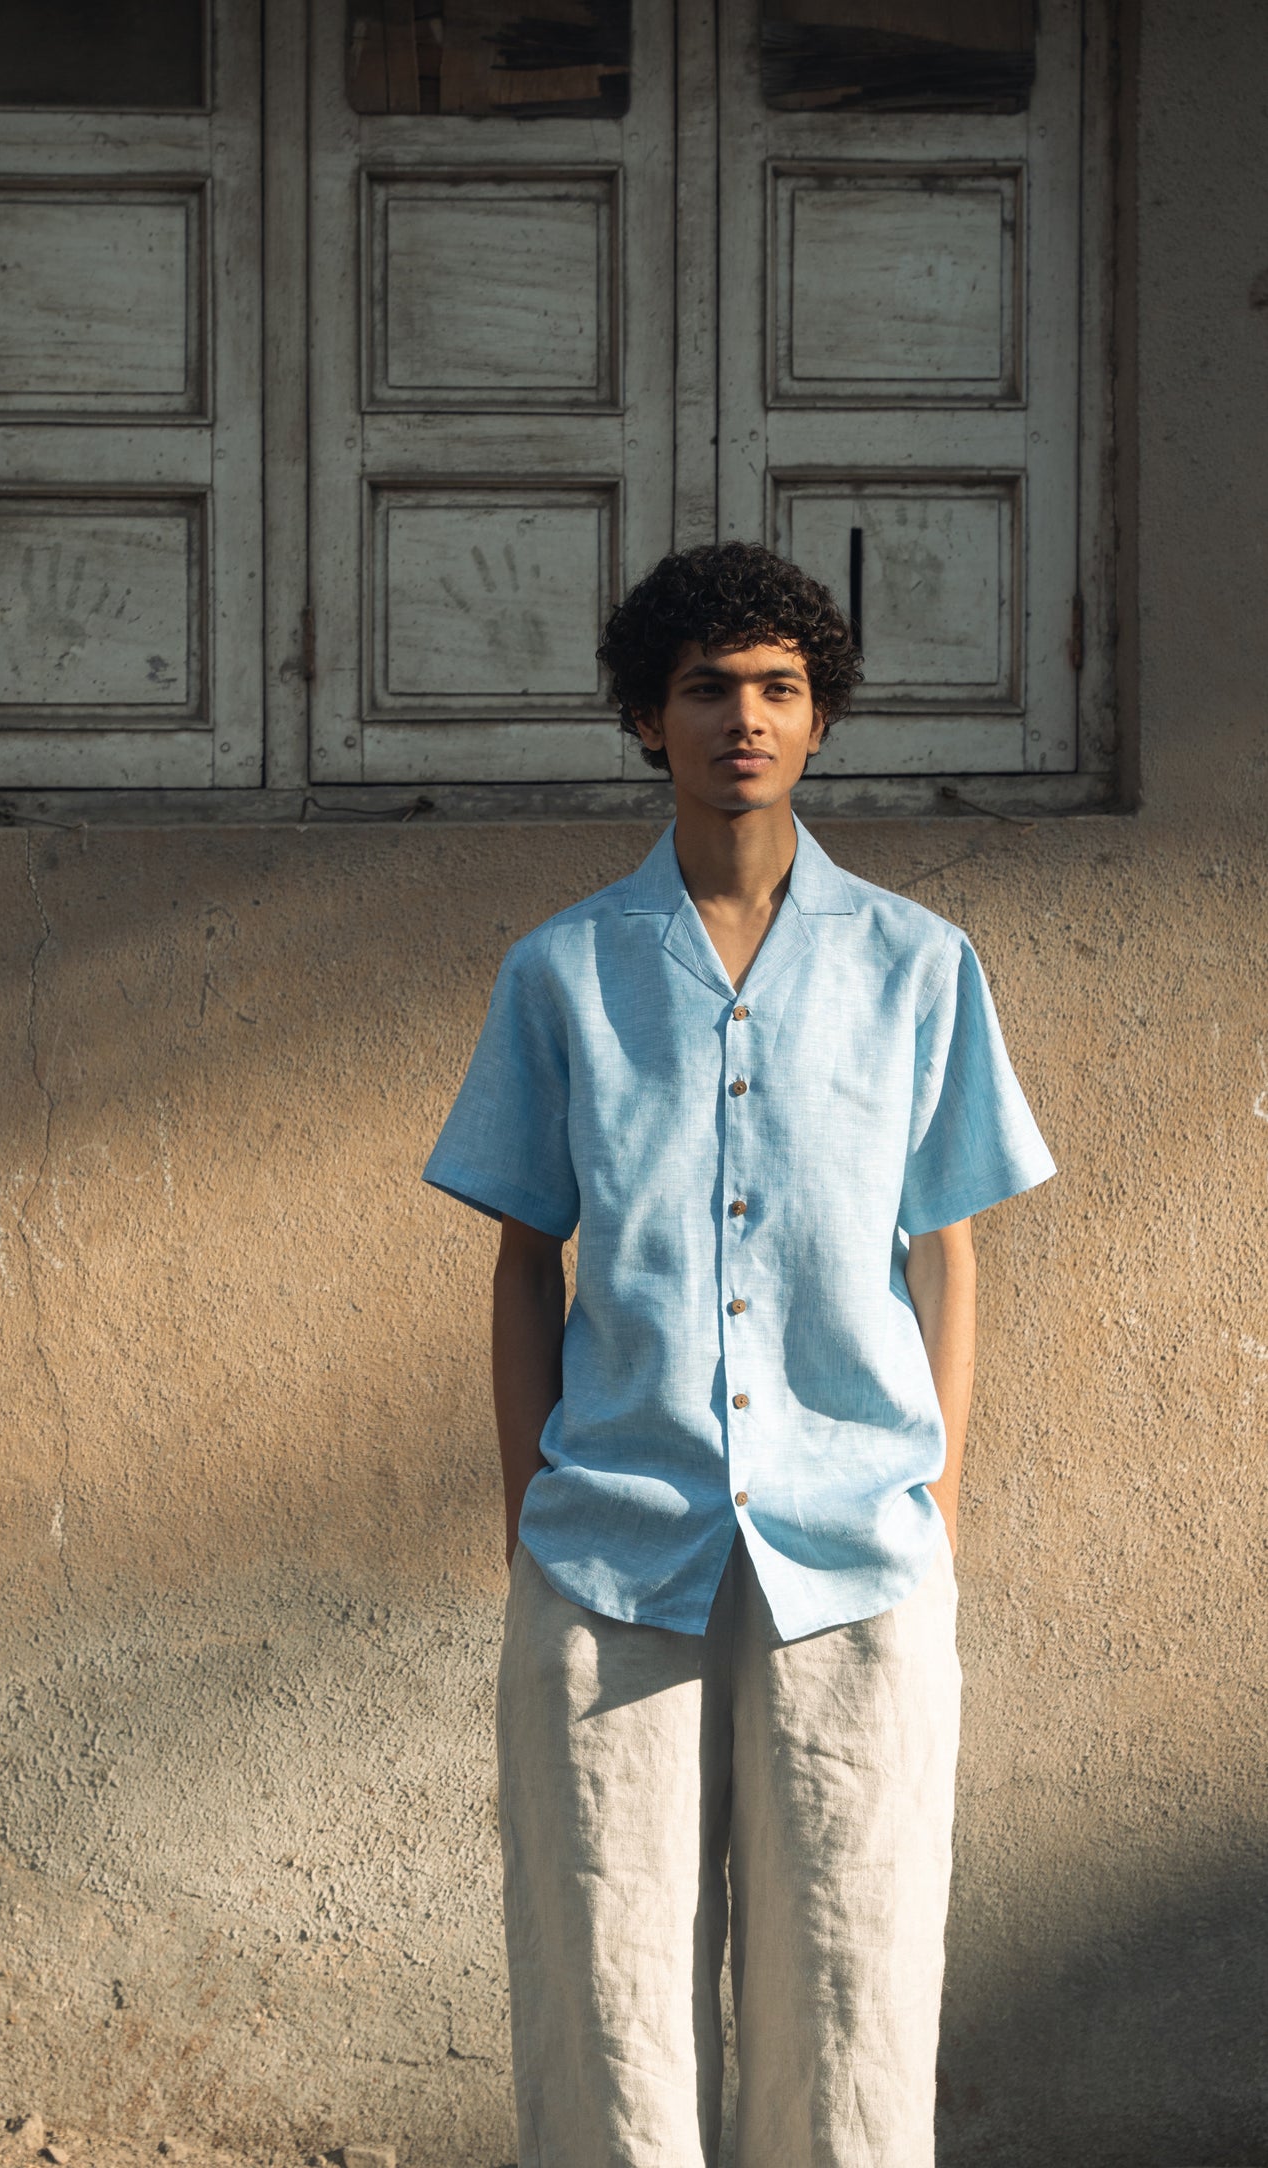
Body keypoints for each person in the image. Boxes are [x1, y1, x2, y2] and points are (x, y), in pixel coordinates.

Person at [423, 541, 1056, 2168]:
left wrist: (942, 1510)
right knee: (601, 1990)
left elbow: (946, 1253)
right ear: (647, 717)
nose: (743, 719)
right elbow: (520, 1259)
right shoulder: (563, 972)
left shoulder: (917, 967)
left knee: (853, 1986)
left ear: (820, 720)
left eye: (778, 687)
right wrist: (525, 1522)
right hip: (611, 1547)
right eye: (706, 687)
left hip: (856, 1547)